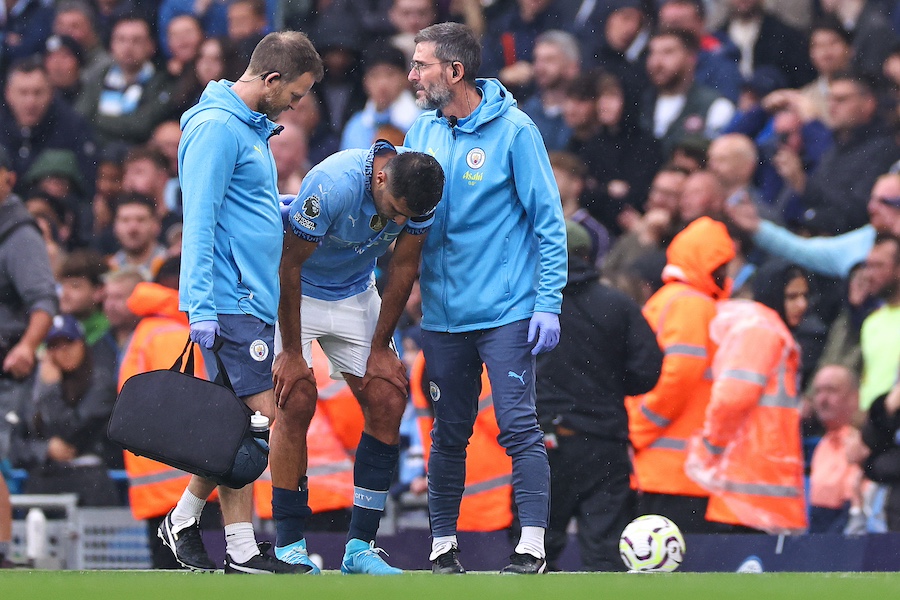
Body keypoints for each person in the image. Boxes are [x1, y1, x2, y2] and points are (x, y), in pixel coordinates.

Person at [405, 22, 567, 575]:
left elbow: (549, 222)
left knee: (518, 427)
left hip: (505, 310)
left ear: (455, 71)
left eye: (421, 64)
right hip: (443, 315)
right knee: (448, 432)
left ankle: (532, 547)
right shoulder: (420, 130)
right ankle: (443, 547)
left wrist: (548, 301)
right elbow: (402, 213)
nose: (412, 75)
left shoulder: (517, 132)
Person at [163, 30, 323, 575]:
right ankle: (190, 519)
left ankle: (236, 547)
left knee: (237, 424)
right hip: (232, 297)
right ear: (271, 79)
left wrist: (272, 208)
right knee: (267, 420)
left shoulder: (245, 128)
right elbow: (200, 220)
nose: (297, 105)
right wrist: (200, 305)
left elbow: (234, 205)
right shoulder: (216, 129)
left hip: (251, 296)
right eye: (295, 93)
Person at [271, 141, 444, 574]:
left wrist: (381, 347)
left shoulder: (418, 190)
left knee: (388, 397)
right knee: (295, 399)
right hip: (296, 290)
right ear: (379, 177)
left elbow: (404, 268)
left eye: (405, 216)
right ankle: (289, 545)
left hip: (353, 291)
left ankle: (360, 548)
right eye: (392, 210)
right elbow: (288, 266)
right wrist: (292, 352)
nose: (396, 220)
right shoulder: (331, 184)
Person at [536, 221, 662, 571]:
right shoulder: (617, 305)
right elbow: (648, 369)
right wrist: (608, 383)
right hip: (603, 442)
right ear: (589, 256)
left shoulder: (529, 305)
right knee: (605, 550)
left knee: (534, 550)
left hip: (545, 443)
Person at [684, 260, 809, 534]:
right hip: (749, 494)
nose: (802, 304)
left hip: (756, 492)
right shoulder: (761, 330)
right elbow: (732, 398)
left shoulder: (765, 329)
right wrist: (711, 448)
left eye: (804, 296)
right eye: (792, 296)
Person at [627, 216, 734, 534]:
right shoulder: (690, 303)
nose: (727, 273)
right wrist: (639, 429)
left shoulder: (668, 300)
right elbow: (679, 376)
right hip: (675, 473)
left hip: (661, 469)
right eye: (721, 264)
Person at [0, 145, 57, 570]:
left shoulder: (18, 233)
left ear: (8, 180)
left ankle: (1, 552)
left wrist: (25, 346)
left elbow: (44, 302)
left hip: (6, 364)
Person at [14, 314, 120, 506]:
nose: (63, 351)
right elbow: (14, 444)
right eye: (54, 346)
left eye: (69, 343)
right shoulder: (34, 387)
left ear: (82, 344)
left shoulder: (100, 383)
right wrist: (43, 449)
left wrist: (51, 391)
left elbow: (69, 433)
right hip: (45, 483)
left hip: (92, 483)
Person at [807, 364, 864, 533]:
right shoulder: (823, 444)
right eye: (818, 391)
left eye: (831, 391)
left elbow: (853, 514)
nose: (822, 400)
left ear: (854, 397)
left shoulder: (860, 443)